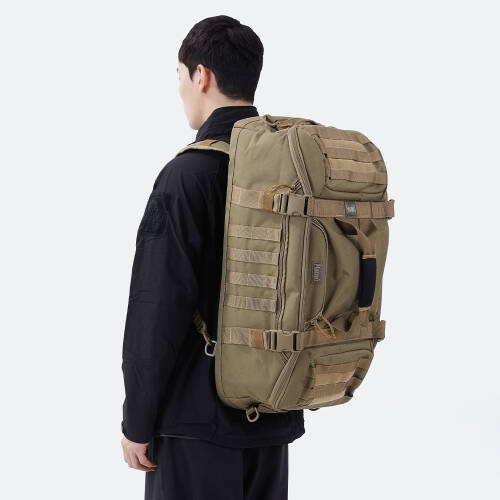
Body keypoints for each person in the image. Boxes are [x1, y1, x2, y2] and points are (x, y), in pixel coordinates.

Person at [121, 15, 305, 499]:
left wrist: (137, 420)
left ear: (201, 75)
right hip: (272, 412)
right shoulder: (292, 173)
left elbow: (156, 307)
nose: (181, 88)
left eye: (180, 76)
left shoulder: (187, 175)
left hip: (194, 425)